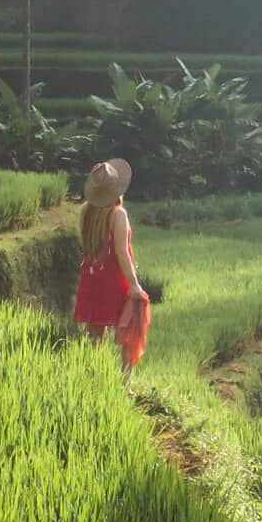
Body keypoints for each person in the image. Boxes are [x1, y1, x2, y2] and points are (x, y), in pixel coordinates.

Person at [73, 158, 150, 373]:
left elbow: (88, 247)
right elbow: (122, 252)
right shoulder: (118, 214)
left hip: (91, 277)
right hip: (114, 279)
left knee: (94, 332)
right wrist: (134, 284)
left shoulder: (86, 213)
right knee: (129, 327)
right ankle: (125, 381)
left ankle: (91, 375)